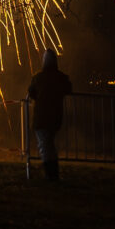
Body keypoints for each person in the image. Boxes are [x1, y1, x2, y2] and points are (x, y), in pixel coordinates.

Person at [27, 49, 74, 183]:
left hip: (41, 118)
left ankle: (51, 174)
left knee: (44, 146)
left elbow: (31, 92)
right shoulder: (61, 77)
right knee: (49, 144)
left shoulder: (38, 77)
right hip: (56, 118)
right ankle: (54, 173)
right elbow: (68, 89)